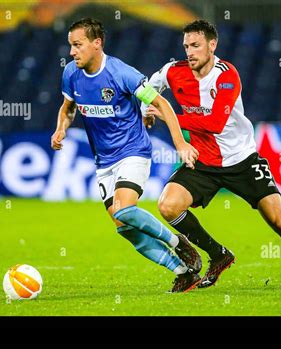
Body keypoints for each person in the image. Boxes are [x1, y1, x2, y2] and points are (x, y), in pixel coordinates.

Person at [142, 19, 281, 288]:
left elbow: (214, 124)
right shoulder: (173, 71)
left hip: (242, 161)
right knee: (168, 205)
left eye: (196, 45)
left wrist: (168, 116)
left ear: (212, 44)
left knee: (279, 220)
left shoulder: (226, 75)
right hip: (203, 161)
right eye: (186, 46)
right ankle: (218, 254)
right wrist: (145, 112)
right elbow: (147, 89)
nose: (190, 52)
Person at [51, 18, 203, 293]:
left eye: (77, 45)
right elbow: (68, 107)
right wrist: (61, 128)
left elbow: (161, 103)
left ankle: (178, 242)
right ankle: (183, 272)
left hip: (133, 151)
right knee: (124, 226)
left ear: (97, 43)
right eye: (71, 46)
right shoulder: (71, 74)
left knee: (124, 208)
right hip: (103, 162)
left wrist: (180, 143)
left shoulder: (122, 73)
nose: (72, 52)